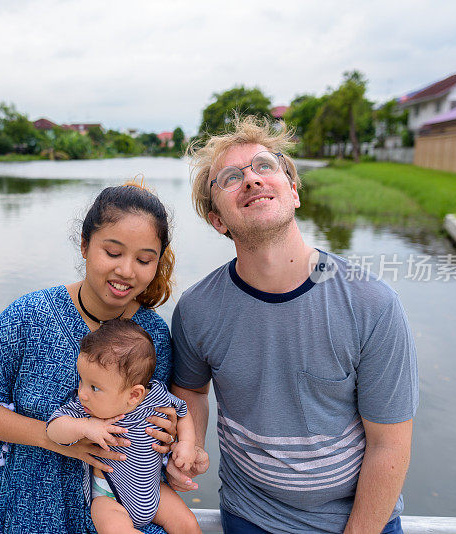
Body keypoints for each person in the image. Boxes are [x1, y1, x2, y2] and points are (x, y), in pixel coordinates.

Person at [166, 116, 418, 534]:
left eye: (265, 166)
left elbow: (389, 443)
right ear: (218, 221)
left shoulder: (372, 303)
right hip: (252, 515)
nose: (251, 180)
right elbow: (192, 389)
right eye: (230, 177)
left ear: (294, 191)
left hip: (360, 520)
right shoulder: (197, 310)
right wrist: (189, 441)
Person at [0, 183, 180, 534]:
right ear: (85, 245)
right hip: (36, 513)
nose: (126, 271)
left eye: (144, 259)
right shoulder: (27, 317)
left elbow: (158, 413)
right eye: (113, 252)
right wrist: (54, 437)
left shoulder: (153, 335)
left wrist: (172, 436)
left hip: (127, 517)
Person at [47, 319, 201, 534]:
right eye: (81, 380)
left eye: (94, 387)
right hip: (109, 496)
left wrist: (186, 443)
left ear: (134, 394)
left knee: (188, 525)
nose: (82, 392)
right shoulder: (87, 411)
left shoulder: (155, 395)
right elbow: (53, 429)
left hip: (153, 490)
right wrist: (85, 427)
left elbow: (183, 413)